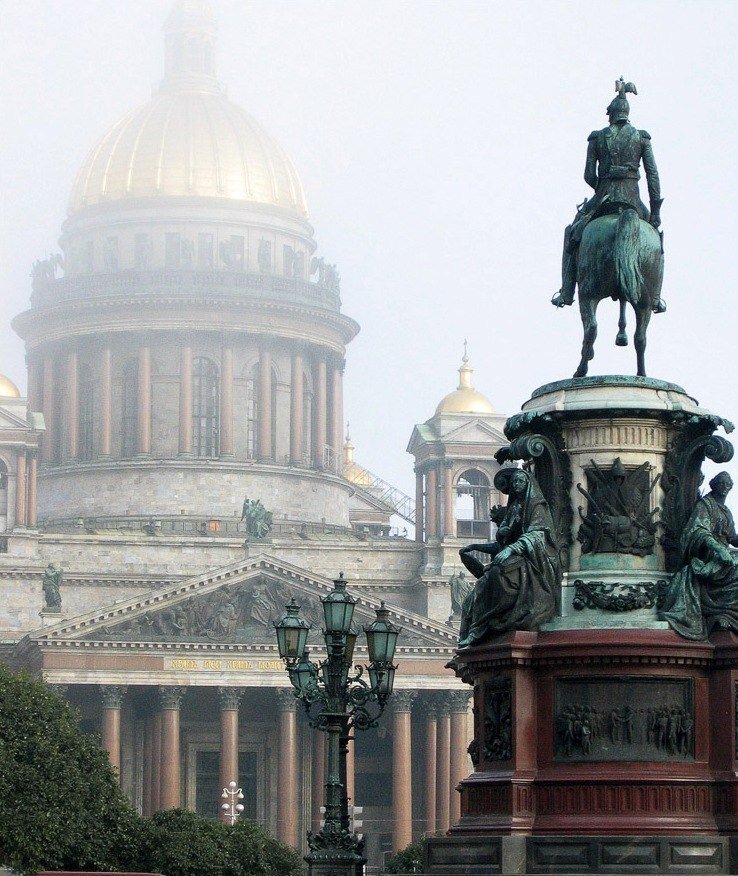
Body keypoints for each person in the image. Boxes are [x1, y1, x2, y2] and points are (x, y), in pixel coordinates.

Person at [552, 78, 665, 314]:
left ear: (610, 115)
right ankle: (655, 298)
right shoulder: (642, 138)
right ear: (627, 114)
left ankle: (566, 291)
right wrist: (655, 212)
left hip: (603, 197)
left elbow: (587, 175)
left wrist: (602, 183)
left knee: (572, 235)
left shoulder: (597, 137)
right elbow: (653, 177)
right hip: (633, 200)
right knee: (657, 240)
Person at [457, 468, 560, 647]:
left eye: (520, 481)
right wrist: (496, 536)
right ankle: (476, 629)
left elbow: (538, 534)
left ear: (528, 484)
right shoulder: (514, 506)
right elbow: (502, 540)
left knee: (498, 576)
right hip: (516, 556)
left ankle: (486, 624)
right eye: (515, 483)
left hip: (531, 558)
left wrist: (511, 548)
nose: (517, 485)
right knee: (481, 585)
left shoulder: (536, 506)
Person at [659, 471, 738, 639]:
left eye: (728, 484)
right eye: (722, 483)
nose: (725, 487)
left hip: (723, 555)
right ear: (714, 485)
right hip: (707, 556)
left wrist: (728, 546)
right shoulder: (705, 505)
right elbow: (699, 531)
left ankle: (727, 613)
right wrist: (719, 549)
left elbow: (731, 537)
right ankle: (721, 612)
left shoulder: (726, 511)